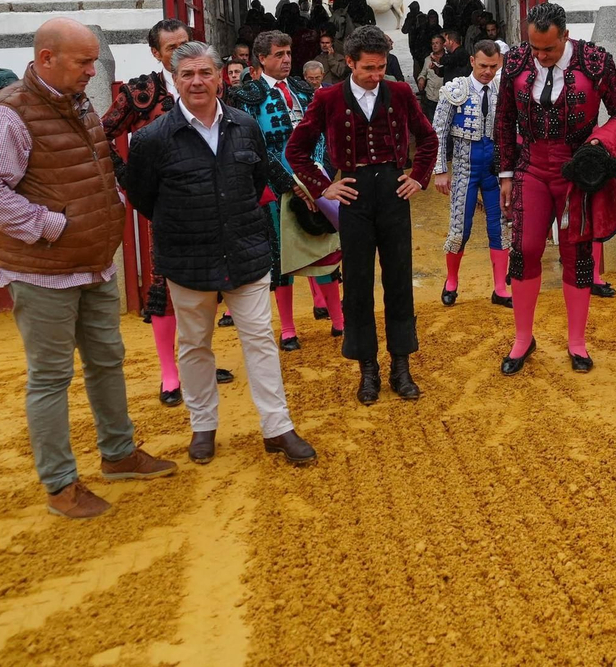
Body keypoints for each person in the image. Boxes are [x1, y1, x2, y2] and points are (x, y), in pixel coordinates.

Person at [0, 18, 177, 519]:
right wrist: (50, 226)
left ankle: (119, 454)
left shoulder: (76, 101)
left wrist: (110, 205)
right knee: (51, 377)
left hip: (93, 262)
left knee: (107, 359)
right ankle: (60, 484)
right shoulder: (10, 113)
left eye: (93, 61)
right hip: (42, 271)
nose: (91, 71)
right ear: (46, 59)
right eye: (83, 62)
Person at [123, 41, 316, 468]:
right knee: (194, 346)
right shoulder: (152, 138)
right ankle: (203, 425)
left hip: (245, 250)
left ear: (219, 77)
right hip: (188, 258)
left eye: (205, 73)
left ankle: (277, 427)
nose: (197, 82)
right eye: (187, 74)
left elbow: (254, 180)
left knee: (261, 342)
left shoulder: (245, 125)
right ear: (174, 81)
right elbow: (144, 199)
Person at [286, 25, 437, 406]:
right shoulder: (329, 98)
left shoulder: (400, 92)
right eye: (368, 68)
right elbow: (296, 150)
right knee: (356, 283)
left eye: (381, 67)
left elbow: (428, 137)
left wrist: (418, 178)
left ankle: (400, 367)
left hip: (392, 190)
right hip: (351, 194)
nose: (376, 75)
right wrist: (323, 188)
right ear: (349, 62)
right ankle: (367, 369)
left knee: (399, 278)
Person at [494, 2, 616, 375]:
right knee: (524, 249)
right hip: (531, 167)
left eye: (549, 49)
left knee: (577, 255)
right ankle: (523, 338)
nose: (539, 56)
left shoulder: (595, 61)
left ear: (566, 36)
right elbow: (505, 117)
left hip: (578, 172)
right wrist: (505, 174)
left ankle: (577, 342)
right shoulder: (516, 61)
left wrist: (600, 141)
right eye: (535, 48)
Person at [103, 19, 231, 404]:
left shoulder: (208, 81)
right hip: (165, 207)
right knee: (165, 285)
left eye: (186, 43)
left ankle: (201, 362)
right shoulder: (141, 91)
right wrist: (127, 176)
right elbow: (99, 132)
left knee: (208, 285)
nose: (180, 52)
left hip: (210, 203)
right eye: (172, 48)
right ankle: (170, 374)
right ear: (157, 54)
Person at [227, 30, 343, 348]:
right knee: (281, 256)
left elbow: (318, 135)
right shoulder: (247, 96)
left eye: (288, 53)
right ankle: (289, 328)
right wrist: (290, 184)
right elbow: (257, 148)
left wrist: (314, 178)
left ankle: (338, 319)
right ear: (261, 59)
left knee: (324, 245)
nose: (286, 59)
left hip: (312, 179)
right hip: (275, 186)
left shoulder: (303, 90)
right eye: (279, 54)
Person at [433, 40, 512, 308]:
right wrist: (441, 169)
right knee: (460, 228)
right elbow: (439, 133)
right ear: (471, 62)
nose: (488, 72)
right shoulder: (455, 90)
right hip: (465, 169)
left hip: (495, 171)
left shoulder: (503, 91)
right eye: (482, 66)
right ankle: (452, 281)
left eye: (493, 66)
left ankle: (500, 288)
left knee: (498, 227)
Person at [416, 33, 445, 119]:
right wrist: (421, 79)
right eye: (433, 43)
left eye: (437, 43)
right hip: (430, 96)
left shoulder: (448, 58)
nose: (434, 45)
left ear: (443, 44)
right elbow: (423, 73)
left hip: (443, 97)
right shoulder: (428, 59)